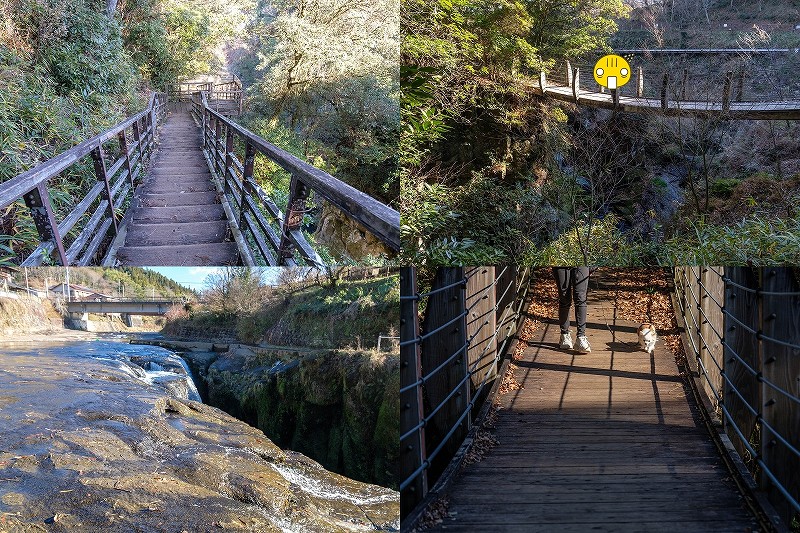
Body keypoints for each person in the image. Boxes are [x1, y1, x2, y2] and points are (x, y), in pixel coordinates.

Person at [552, 267, 591, 353]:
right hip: (560, 261)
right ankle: (564, 335)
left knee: (580, 297)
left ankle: (581, 337)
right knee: (564, 297)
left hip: (582, 261)